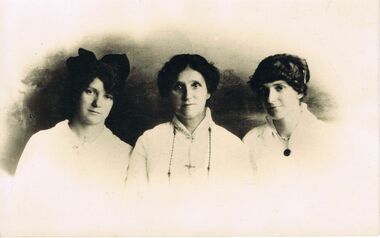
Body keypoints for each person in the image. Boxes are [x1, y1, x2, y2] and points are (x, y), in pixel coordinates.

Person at [8, 48, 131, 234]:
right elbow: (19, 211)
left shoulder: (124, 153)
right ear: (77, 92)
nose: (98, 103)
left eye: (108, 96)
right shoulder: (43, 143)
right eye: (90, 91)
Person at [127, 54, 253, 189]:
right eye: (179, 87)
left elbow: (244, 203)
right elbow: (134, 199)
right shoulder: (148, 141)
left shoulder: (233, 145)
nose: (187, 96)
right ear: (169, 93)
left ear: (208, 91)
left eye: (195, 85)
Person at [243, 53, 335, 184]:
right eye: (264, 90)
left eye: (279, 88)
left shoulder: (328, 136)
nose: (270, 98)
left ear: (300, 91)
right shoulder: (251, 140)